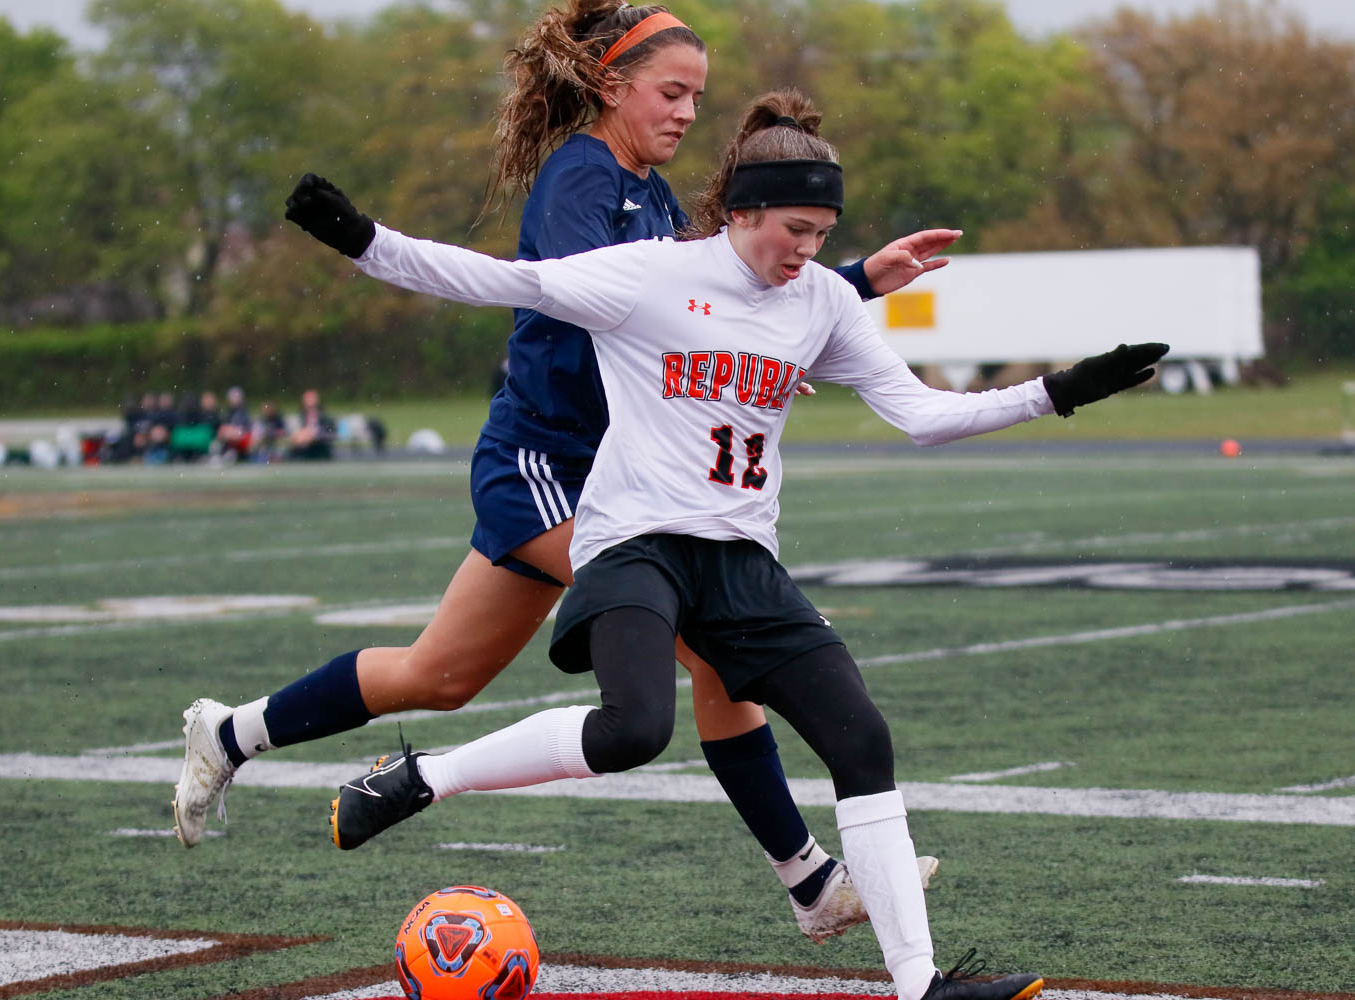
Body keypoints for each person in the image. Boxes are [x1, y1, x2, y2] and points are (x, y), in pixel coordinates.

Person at [285, 88, 1167, 1000]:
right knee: (635, 729)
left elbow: (923, 416)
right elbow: (503, 281)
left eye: (823, 233)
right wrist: (363, 239)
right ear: (741, 210)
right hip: (636, 542)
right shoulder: (652, 273)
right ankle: (426, 776)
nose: (808, 250)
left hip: (741, 558)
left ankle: (920, 985)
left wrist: (1059, 390)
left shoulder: (822, 299)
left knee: (860, 738)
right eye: (794, 227)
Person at [173, 0, 952, 944]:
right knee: (717, 650)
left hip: (613, 472)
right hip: (551, 463)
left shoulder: (654, 195)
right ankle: (810, 884)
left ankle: (231, 733)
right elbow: (624, 304)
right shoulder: (583, 176)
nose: (683, 114)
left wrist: (851, 283)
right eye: (670, 92)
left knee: (440, 674)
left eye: (697, 99)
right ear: (610, 86)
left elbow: (726, 297)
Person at [288, 388, 336, 460]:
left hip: (319, 446)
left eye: (311, 399)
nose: (309, 402)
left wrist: (314, 435)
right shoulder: (300, 417)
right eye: (307, 399)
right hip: (301, 445)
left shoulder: (325, 417)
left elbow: (330, 432)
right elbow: (294, 432)